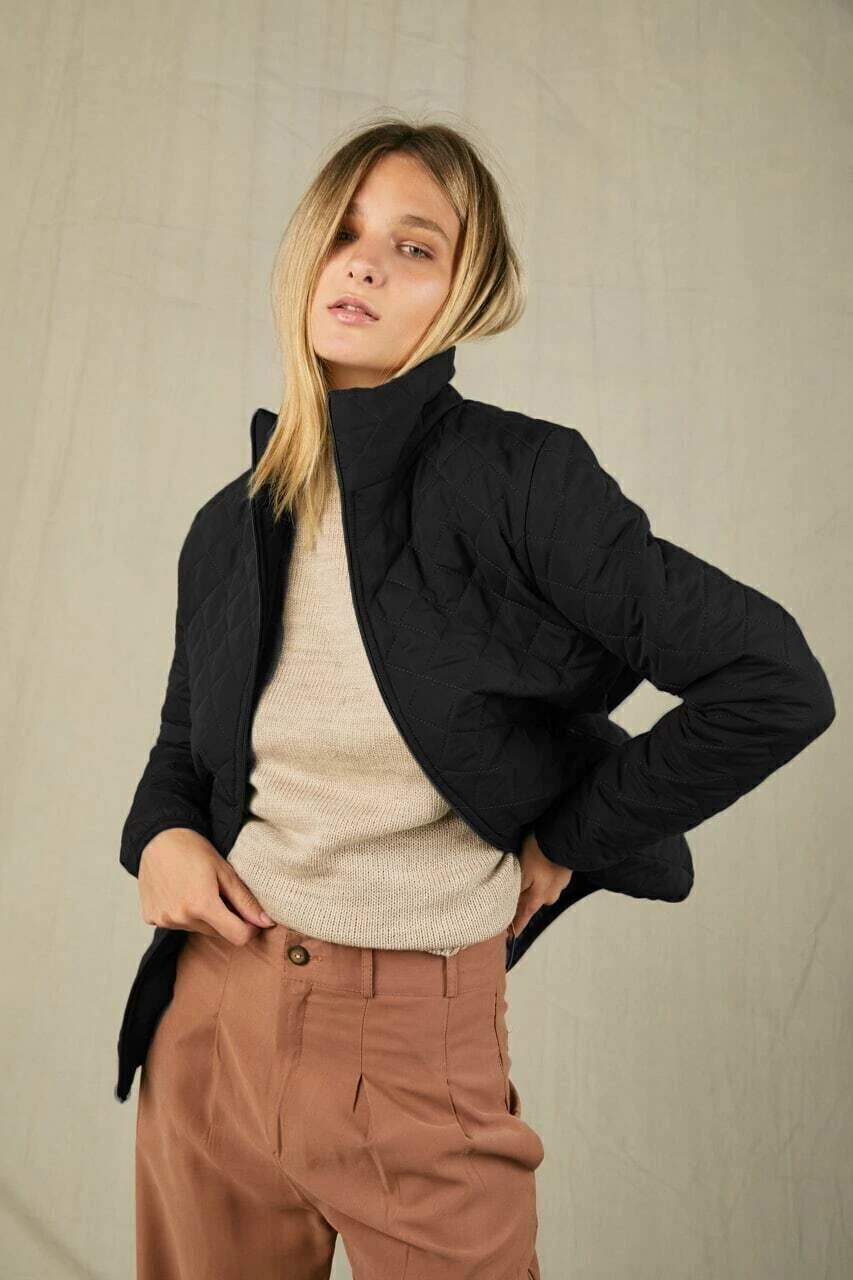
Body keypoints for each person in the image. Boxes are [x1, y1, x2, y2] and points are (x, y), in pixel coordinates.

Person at [121, 117, 835, 1280]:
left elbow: (773, 682)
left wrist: (571, 837)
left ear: (467, 292)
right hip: (206, 1025)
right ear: (301, 256)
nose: (363, 264)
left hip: (407, 1039)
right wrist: (159, 836)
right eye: (343, 232)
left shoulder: (520, 479)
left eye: (414, 246)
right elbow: (180, 747)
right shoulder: (229, 522)